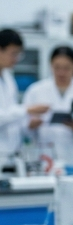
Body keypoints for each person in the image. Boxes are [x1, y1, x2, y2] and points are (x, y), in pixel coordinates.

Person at [22, 46, 73, 164]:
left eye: (66, 68)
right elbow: (22, 128)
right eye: (57, 67)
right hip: (45, 157)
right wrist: (32, 125)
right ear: (50, 65)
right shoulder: (35, 91)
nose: (61, 73)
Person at [0, 29, 49, 161]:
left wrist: (28, 124)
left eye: (18, 54)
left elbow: (11, 115)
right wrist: (26, 109)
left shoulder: (8, 78)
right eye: (13, 54)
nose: (16, 59)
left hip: (10, 153)